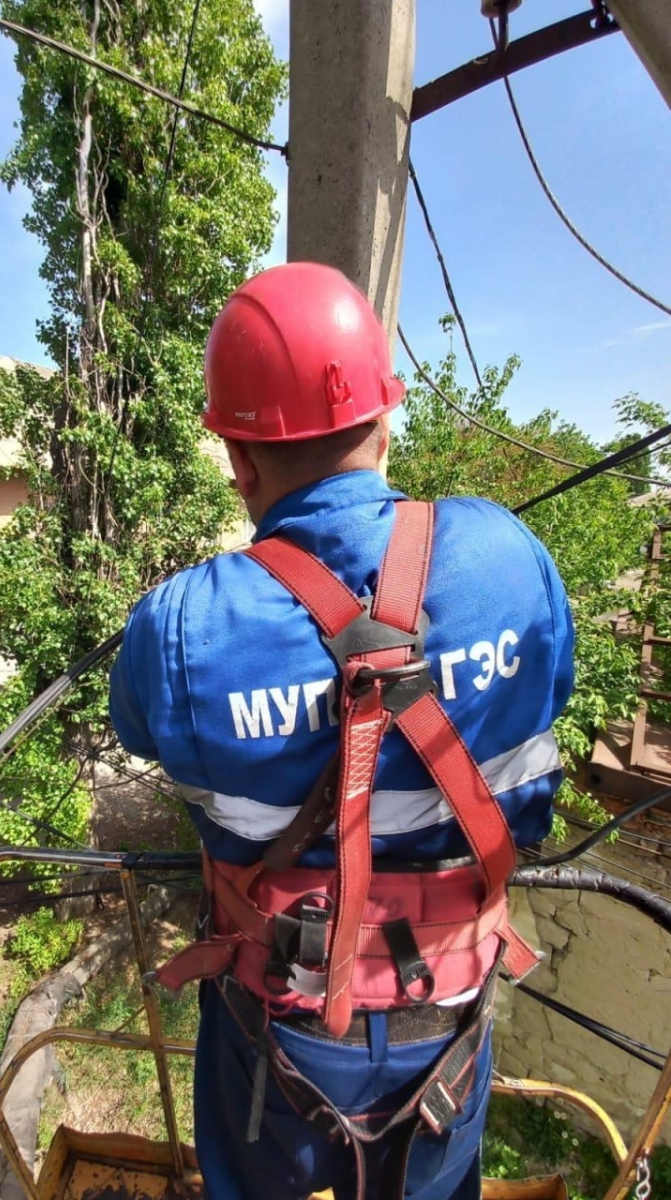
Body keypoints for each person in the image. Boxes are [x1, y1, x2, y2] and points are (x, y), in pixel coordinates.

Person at [109, 262, 574, 1200]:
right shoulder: (509, 561)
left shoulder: (182, 625)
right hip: (447, 1019)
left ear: (238, 460)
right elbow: (549, 690)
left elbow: (137, 729)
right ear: (384, 418)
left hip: (272, 1032)